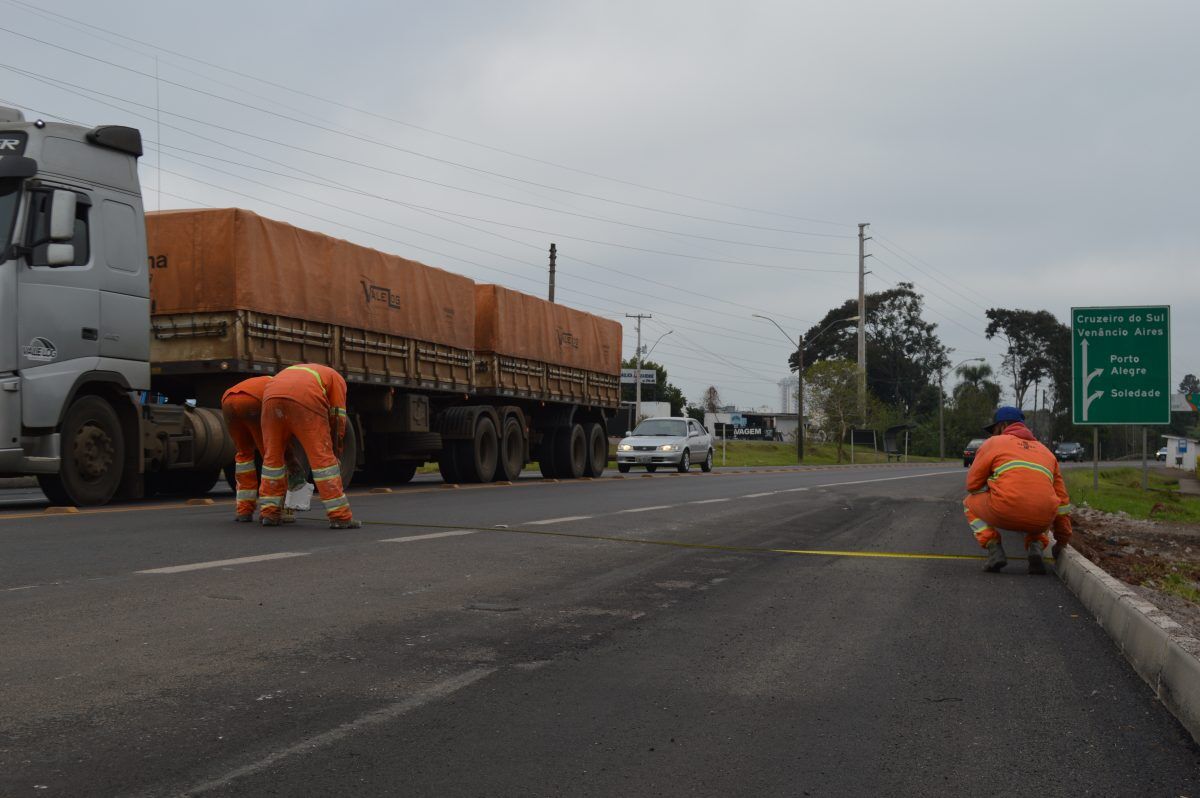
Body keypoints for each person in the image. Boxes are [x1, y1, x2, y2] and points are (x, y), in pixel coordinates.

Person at [964, 406, 1072, 574]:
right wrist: (1062, 541)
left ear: (1003, 425)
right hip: (1042, 519)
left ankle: (993, 548)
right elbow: (1063, 504)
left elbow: (972, 485)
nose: (992, 434)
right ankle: (1035, 546)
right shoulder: (1047, 453)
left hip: (1005, 510)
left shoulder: (994, 443)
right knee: (1041, 503)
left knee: (969, 503)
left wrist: (993, 482)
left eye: (994, 430)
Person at [258, 363, 359, 529]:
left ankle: (270, 513)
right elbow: (338, 418)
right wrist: (336, 450)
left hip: (270, 398)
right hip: (304, 396)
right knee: (322, 460)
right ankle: (340, 516)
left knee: (272, 459)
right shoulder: (337, 379)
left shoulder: (297, 370)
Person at [220, 375, 305, 523]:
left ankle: (244, 511)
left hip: (228, 400)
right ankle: (272, 511)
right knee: (271, 456)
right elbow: (282, 435)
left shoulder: (274, 381)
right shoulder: (288, 393)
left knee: (243, 455)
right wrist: (290, 458)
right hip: (254, 401)